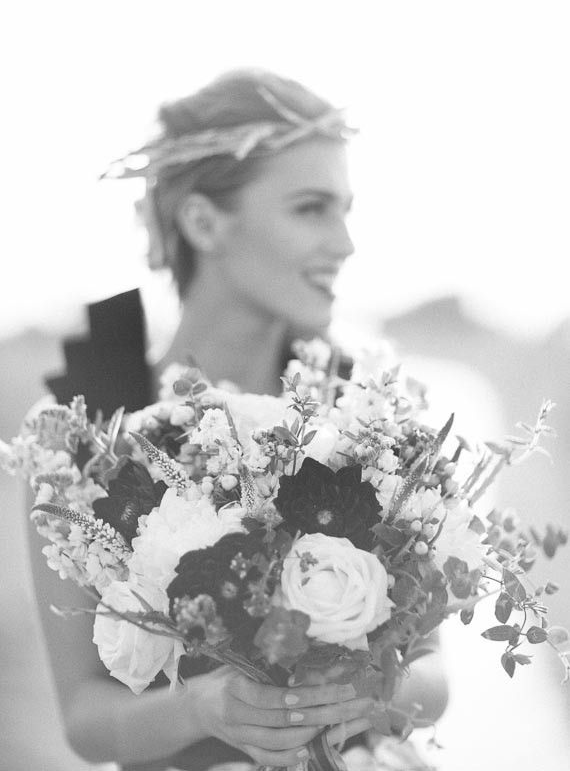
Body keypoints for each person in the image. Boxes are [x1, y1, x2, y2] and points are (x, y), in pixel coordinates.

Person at [32, 69, 448, 771]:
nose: (345, 243)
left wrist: (370, 689)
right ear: (203, 222)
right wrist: (199, 708)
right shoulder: (83, 431)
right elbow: (84, 718)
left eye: (345, 210)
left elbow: (434, 677)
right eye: (311, 208)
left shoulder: (368, 413)